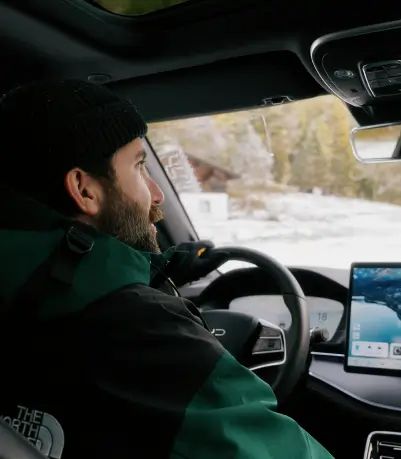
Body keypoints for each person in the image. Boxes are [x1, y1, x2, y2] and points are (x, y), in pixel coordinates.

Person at [0, 79, 334, 459]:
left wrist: (165, 267)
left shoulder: (26, 297)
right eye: (140, 167)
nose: (157, 194)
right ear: (84, 189)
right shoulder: (142, 328)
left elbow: (64, 273)